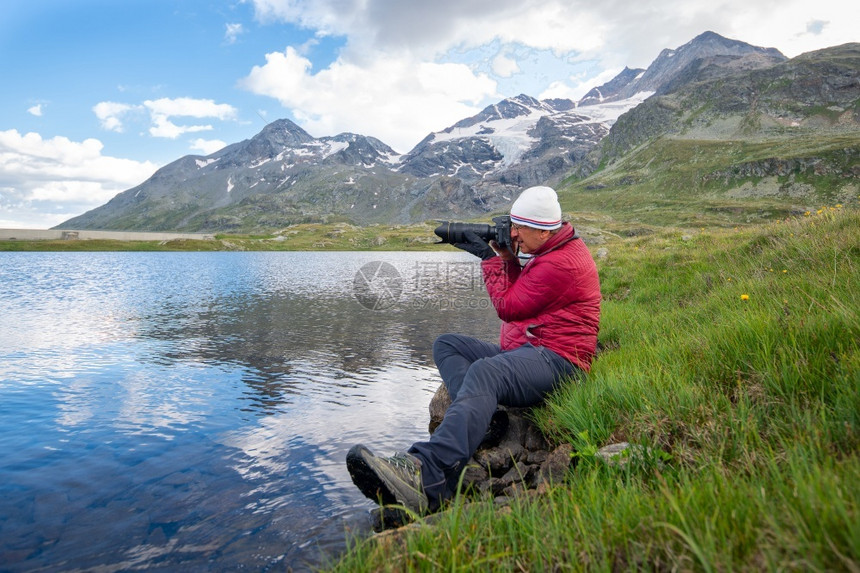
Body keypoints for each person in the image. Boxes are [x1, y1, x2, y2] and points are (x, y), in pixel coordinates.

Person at [346, 185, 601, 514]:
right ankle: (484, 419)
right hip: (534, 350)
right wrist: (508, 259)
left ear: (541, 228)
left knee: (485, 371)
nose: (514, 236)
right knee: (448, 345)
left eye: (518, 230)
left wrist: (488, 259)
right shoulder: (551, 249)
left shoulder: (561, 262)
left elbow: (509, 305)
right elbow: (524, 287)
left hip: (560, 361)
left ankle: (429, 474)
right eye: (512, 228)